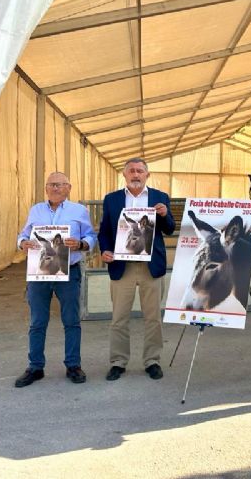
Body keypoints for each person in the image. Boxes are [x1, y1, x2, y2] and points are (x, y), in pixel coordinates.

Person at [15, 172, 97, 388]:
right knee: (37, 321)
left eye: (60, 185)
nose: (55, 188)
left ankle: (73, 365)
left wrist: (80, 244)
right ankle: (35, 367)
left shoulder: (79, 211)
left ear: (69, 188)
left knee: (71, 321)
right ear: (46, 188)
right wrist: (22, 243)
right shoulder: (36, 210)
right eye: (51, 185)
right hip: (39, 272)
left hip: (68, 271)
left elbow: (91, 237)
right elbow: (23, 235)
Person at [98, 158, 175, 381]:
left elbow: (170, 229)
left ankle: (152, 361)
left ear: (147, 175)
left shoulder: (160, 197)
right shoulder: (112, 199)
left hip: (151, 266)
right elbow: (104, 231)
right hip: (123, 266)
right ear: (124, 174)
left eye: (140, 171)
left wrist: (163, 215)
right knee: (119, 318)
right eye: (131, 170)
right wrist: (104, 250)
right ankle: (118, 362)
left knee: (153, 318)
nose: (135, 174)